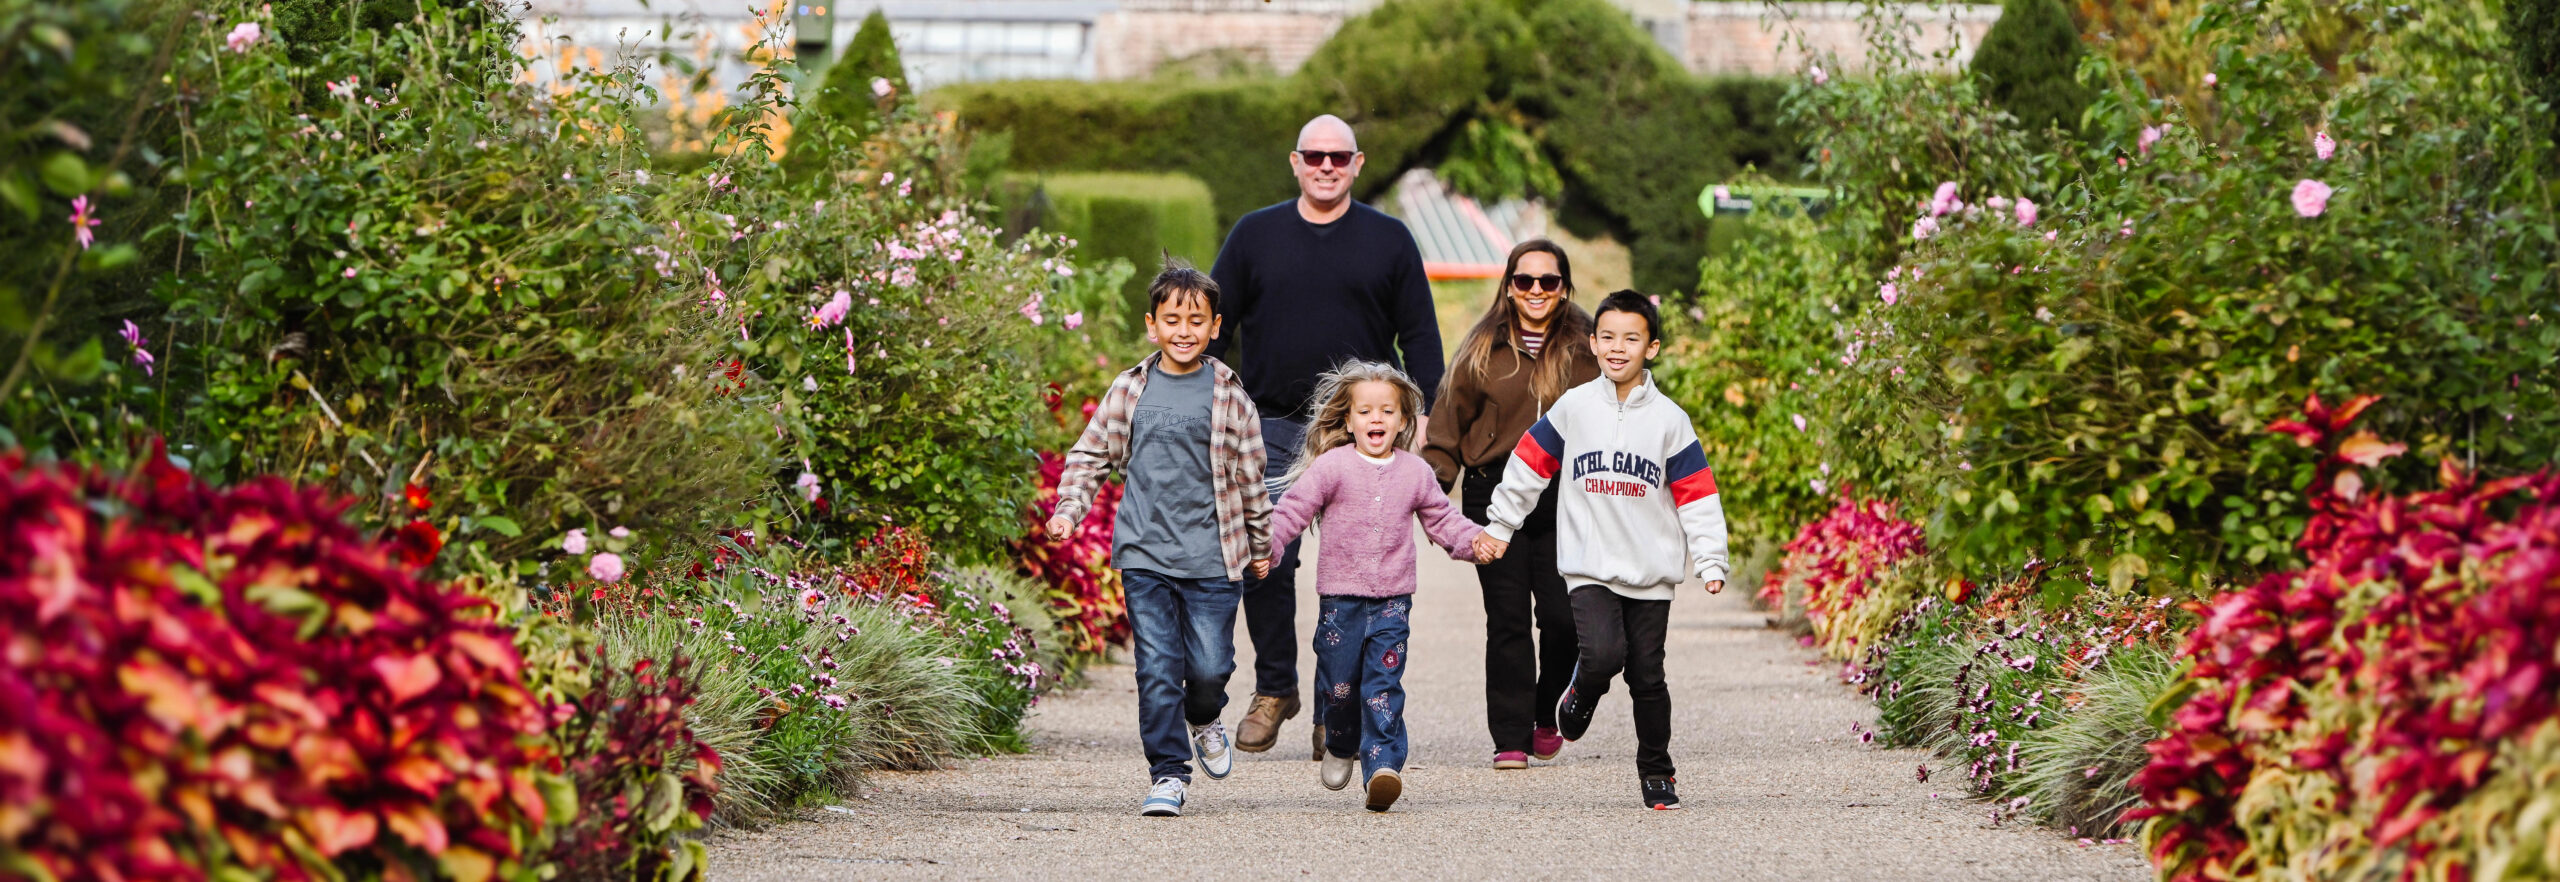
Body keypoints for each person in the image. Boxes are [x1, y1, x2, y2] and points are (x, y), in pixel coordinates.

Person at [1207, 114, 1445, 758]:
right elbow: (1214, 325)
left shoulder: (1390, 240)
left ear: (1358, 163)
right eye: (1314, 156)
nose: (1326, 166)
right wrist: (1201, 393)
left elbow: (1420, 333)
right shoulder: (1254, 235)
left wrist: (1423, 413)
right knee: (1269, 557)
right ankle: (1277, 687)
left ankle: (1334, 711)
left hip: (1361, 434)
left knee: (1360, 573)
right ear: (1295, 161)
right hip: (1273, 423)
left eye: (1339, 157)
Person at [1472, 290, 1729, 811]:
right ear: (1593, 343)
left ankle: (1657, 772)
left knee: (1648, 676)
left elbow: (1697, 494)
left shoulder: (1670, 421)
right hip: (1589, 566)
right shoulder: (1575, 407)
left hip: (1651, 573)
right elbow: (1527, 467)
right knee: (1603, 655)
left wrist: (1710, 558)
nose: (1617, 348)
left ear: (1651, 348)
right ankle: (1581, 693)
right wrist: (1501, 525)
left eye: (1631, 338)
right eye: (1607, 337)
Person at [1049, 260, 1275, 817]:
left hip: (1214, 562)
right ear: (1152, 324)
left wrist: (1262, 545)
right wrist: (1068, 510)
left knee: (1207, 669)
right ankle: (1168, 775)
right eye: (1172, 318)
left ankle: (1204, 716)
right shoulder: (1129, 390)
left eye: (1196, 320)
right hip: (1145, 555)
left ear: (1215, 327)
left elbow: (1251, 478)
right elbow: (1090, 455)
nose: (1183, 330)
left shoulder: (1230, 397)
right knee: (1155, 669)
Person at [1262, 361, 1488, 812]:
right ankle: (1342, 743)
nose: (1376, 419)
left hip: (1392, 601)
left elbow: (1442, 520)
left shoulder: (1415, 472)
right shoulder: (1332, 467)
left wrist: (1474, 541)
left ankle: (1383, 765)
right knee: (1339, 688)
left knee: (1382, 684)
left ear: (1404, 420)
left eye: (1387, 411)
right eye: (1365, 411)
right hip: (1339, 601)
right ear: (1348, 420)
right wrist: (1265, 549)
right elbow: (1291, 511)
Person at [1421, 239, 1600, 771]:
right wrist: (1430, 488)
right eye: (1525, 281)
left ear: (1564, 287)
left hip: (1565, 496)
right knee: (1506, 621)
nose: (1537, 291)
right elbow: (1448, 422)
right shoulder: (1482, 348)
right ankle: (1511, 735)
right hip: (1491, 491)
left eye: (1549, 281)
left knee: (1563, 618)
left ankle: (1548, 712)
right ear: (1509, 286)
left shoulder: (1587, 347)